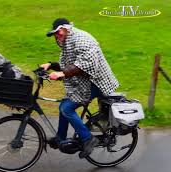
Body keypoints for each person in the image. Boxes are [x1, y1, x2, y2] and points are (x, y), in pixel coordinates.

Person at [41, 18, 119, 158]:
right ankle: (61, 138)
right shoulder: (68, 42)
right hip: (87, 81)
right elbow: (71, 66)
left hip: (98, 82)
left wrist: (61, 73)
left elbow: (85, 64)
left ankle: (88, 138)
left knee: (66, 108)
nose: (57, 36)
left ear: (66, 28)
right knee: (64, 105)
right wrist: (51, 65)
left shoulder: (82, 39)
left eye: (58, 32)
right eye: (55, 34)